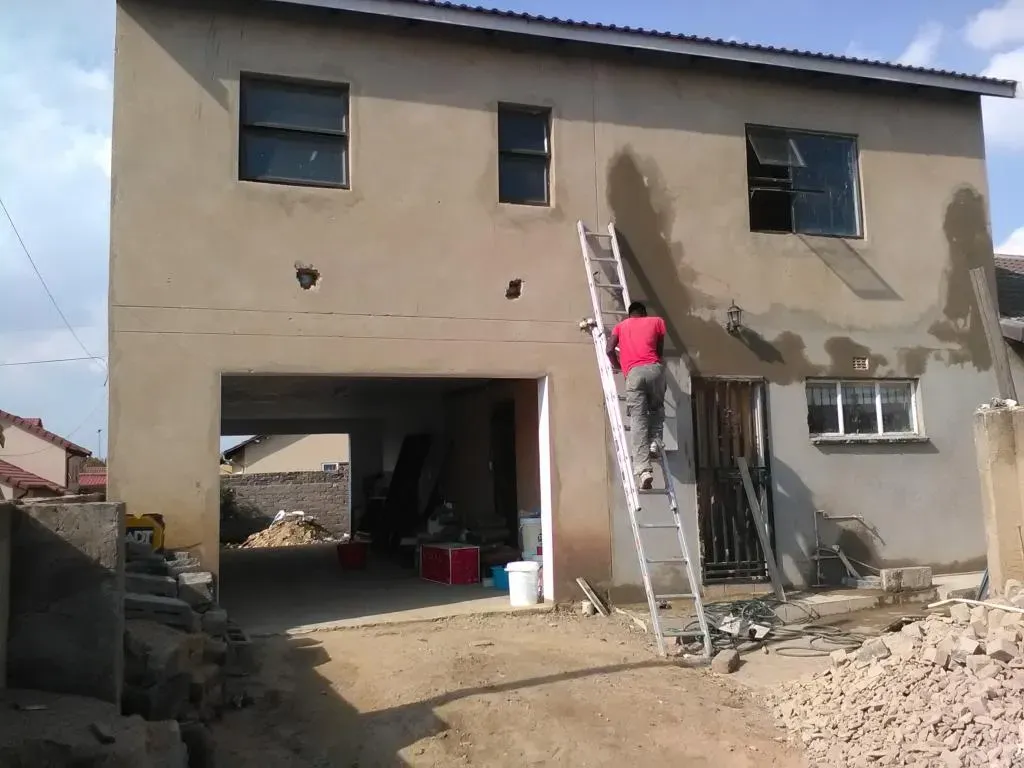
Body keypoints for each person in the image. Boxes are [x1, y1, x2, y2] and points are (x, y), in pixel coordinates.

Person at [606, 301, 667, 490]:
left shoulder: (620, 326)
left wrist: (617, 365)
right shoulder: (657, 321)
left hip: (634, 374)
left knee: (638, 420)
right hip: (655, 370)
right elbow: (659, 350)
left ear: (630, 314)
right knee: (657, 408)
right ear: (644, 313)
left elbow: (609, 349)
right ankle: (655, 442)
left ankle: (644, 471)